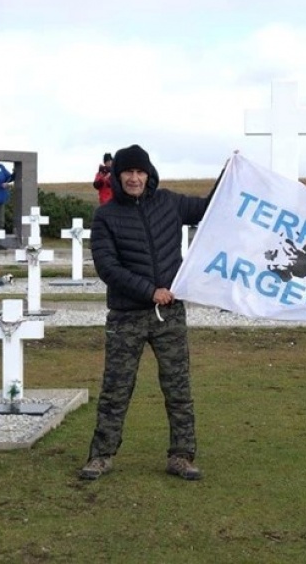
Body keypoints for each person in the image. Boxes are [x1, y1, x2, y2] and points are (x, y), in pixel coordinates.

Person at [79, 144, 220, 482]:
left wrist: (228, 174)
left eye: (140, 171)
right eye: (127, 172)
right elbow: (108, 267)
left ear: (149, 174)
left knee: (178, 388)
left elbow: (208, 209)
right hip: (126, 316)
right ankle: (101, 456)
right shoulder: (106, 216)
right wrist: (149, 291)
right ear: (117, 176)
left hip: (169, 314)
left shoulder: (169, 202)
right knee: (116, 389)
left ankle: (182, 456)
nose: (134, 178)